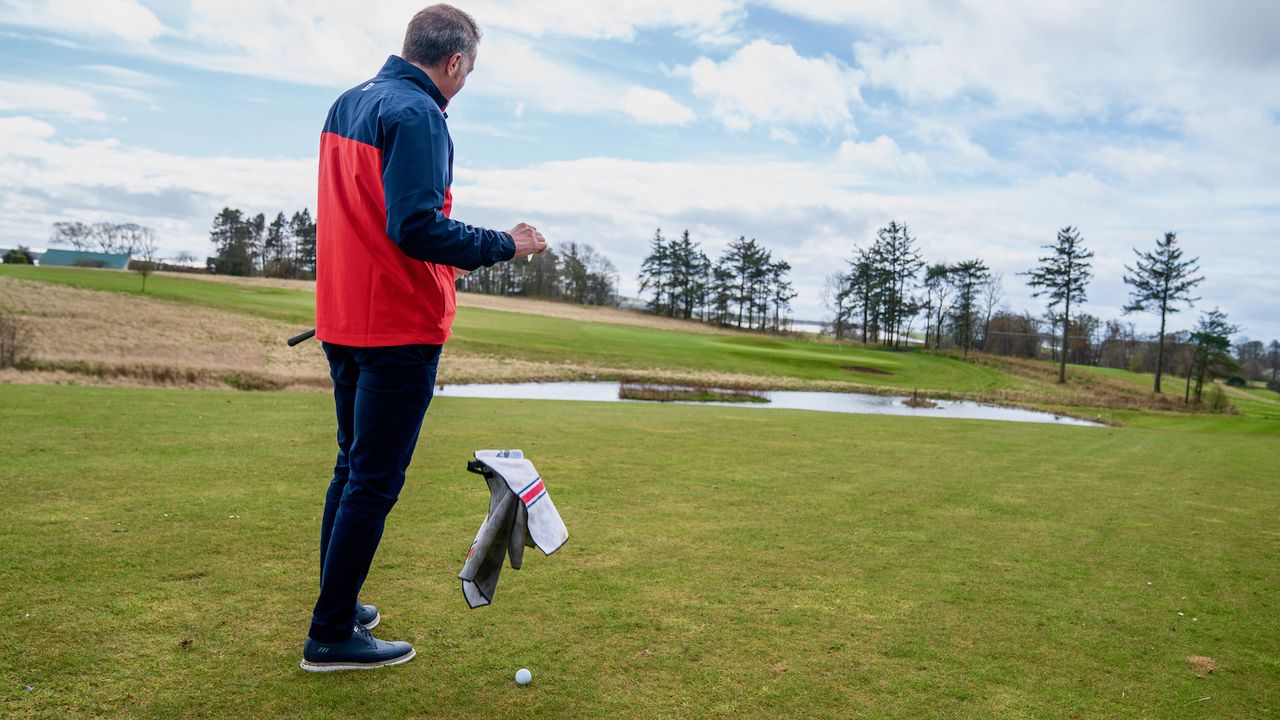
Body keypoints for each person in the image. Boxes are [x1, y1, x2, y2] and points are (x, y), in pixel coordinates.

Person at [300, 4, 546, 672]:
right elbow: (414, 226)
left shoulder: (347, 102)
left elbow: (373, 219)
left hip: (344, 318)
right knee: (372, 482)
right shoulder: (419, 115)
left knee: (351, 469)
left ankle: (339, 605)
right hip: (394, 328)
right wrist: (508, 244)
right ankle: (329, 632)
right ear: (456, 62)